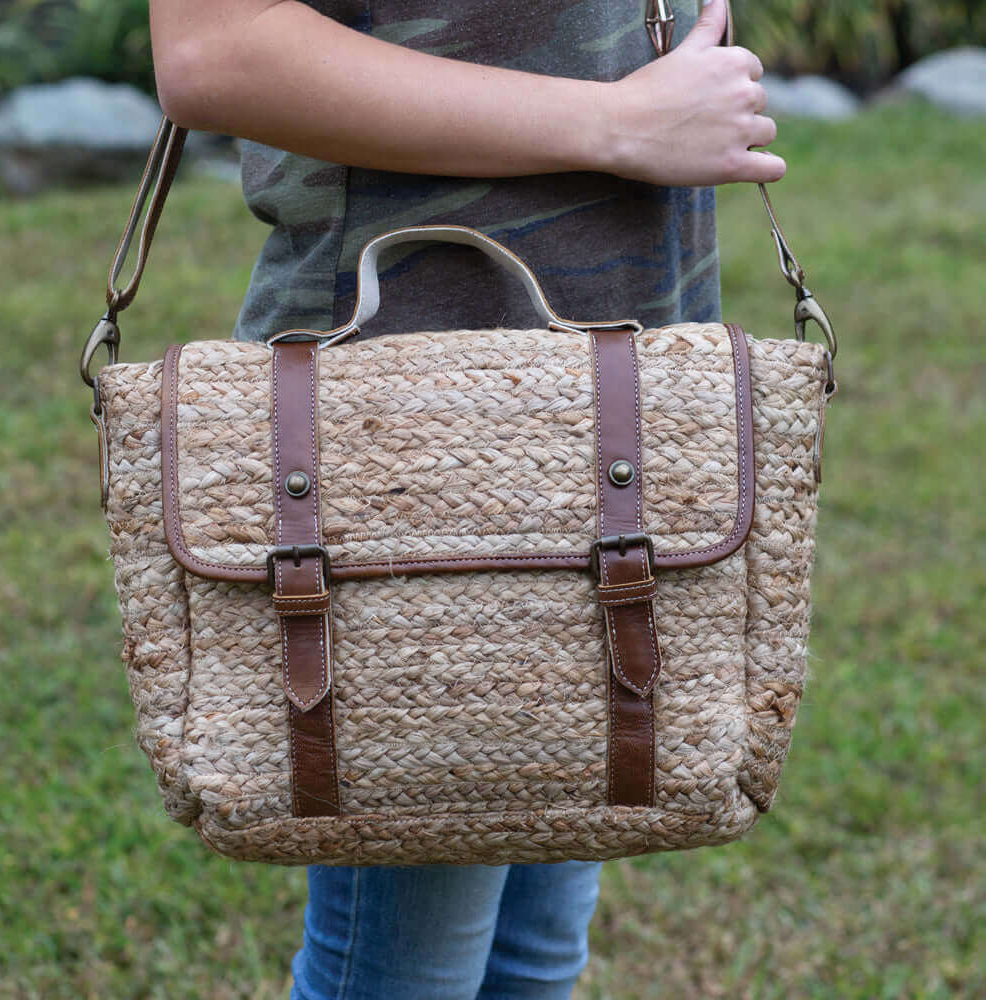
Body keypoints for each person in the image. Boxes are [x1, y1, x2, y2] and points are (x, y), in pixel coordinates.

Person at [148, 1, 780, 997]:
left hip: (618, 363)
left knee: (531, 957)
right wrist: (616, 123)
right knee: (408, 969)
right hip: (407, 415)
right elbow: (216, 51)